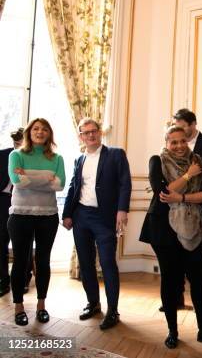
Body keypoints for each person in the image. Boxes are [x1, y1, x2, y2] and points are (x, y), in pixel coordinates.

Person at [139, 125, 202, 349]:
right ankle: (172, 332)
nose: (178, 146)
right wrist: (188, 176)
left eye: (182, 141)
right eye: (173, 142)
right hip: (164, 231)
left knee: (199, 282)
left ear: (188, 141)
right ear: (166, 143)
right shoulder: (157, 161)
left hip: (194, 226)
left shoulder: (200, 162)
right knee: (170, 281)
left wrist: (183, 196)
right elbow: (164, 194)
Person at [62, 118, 132, 330]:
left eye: (94, 131)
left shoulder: (116, 154)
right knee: (85, 263)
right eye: (86, 133)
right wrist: (67, 214)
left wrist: (122, 210)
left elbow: (125, 183)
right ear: (81, 137)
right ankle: (93, 303)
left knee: (108, 263)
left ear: (100, 133)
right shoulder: (79, 159)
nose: (91, 135)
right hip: (81, 216)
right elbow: (74, 187)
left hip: (105, 217)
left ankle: (113, 311)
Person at [7, 118, 65, 326]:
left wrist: (29, 177)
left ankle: (41, 306)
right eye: (36, 129)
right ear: (29, 133)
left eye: (44, 129)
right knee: (20, 261)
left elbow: (60, 185)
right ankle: (19, 306)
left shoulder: (57, 158)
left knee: (43, 262)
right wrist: (47, 178)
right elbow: (17, 182)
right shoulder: (16, 155)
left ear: (49, 134)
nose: (40, 132)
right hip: (20, 215)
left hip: (48, 216)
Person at [164, 108, 202, 311]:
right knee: (176, 254)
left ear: (193, 124)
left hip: (199, 205)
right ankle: (177, 298)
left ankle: (199, 297)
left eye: (182, 126)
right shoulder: (173, 144)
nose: (178, 131)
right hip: (175, 208)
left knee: (197, 257)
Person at [1, 128, 33, 297]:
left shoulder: (33, 158)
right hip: (3, 201)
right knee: (1, 242)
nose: (18, 146)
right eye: (16, 143)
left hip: (25, 202)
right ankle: (3, 281)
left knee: (24, 243)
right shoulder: (2, 155)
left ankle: (24, 279)